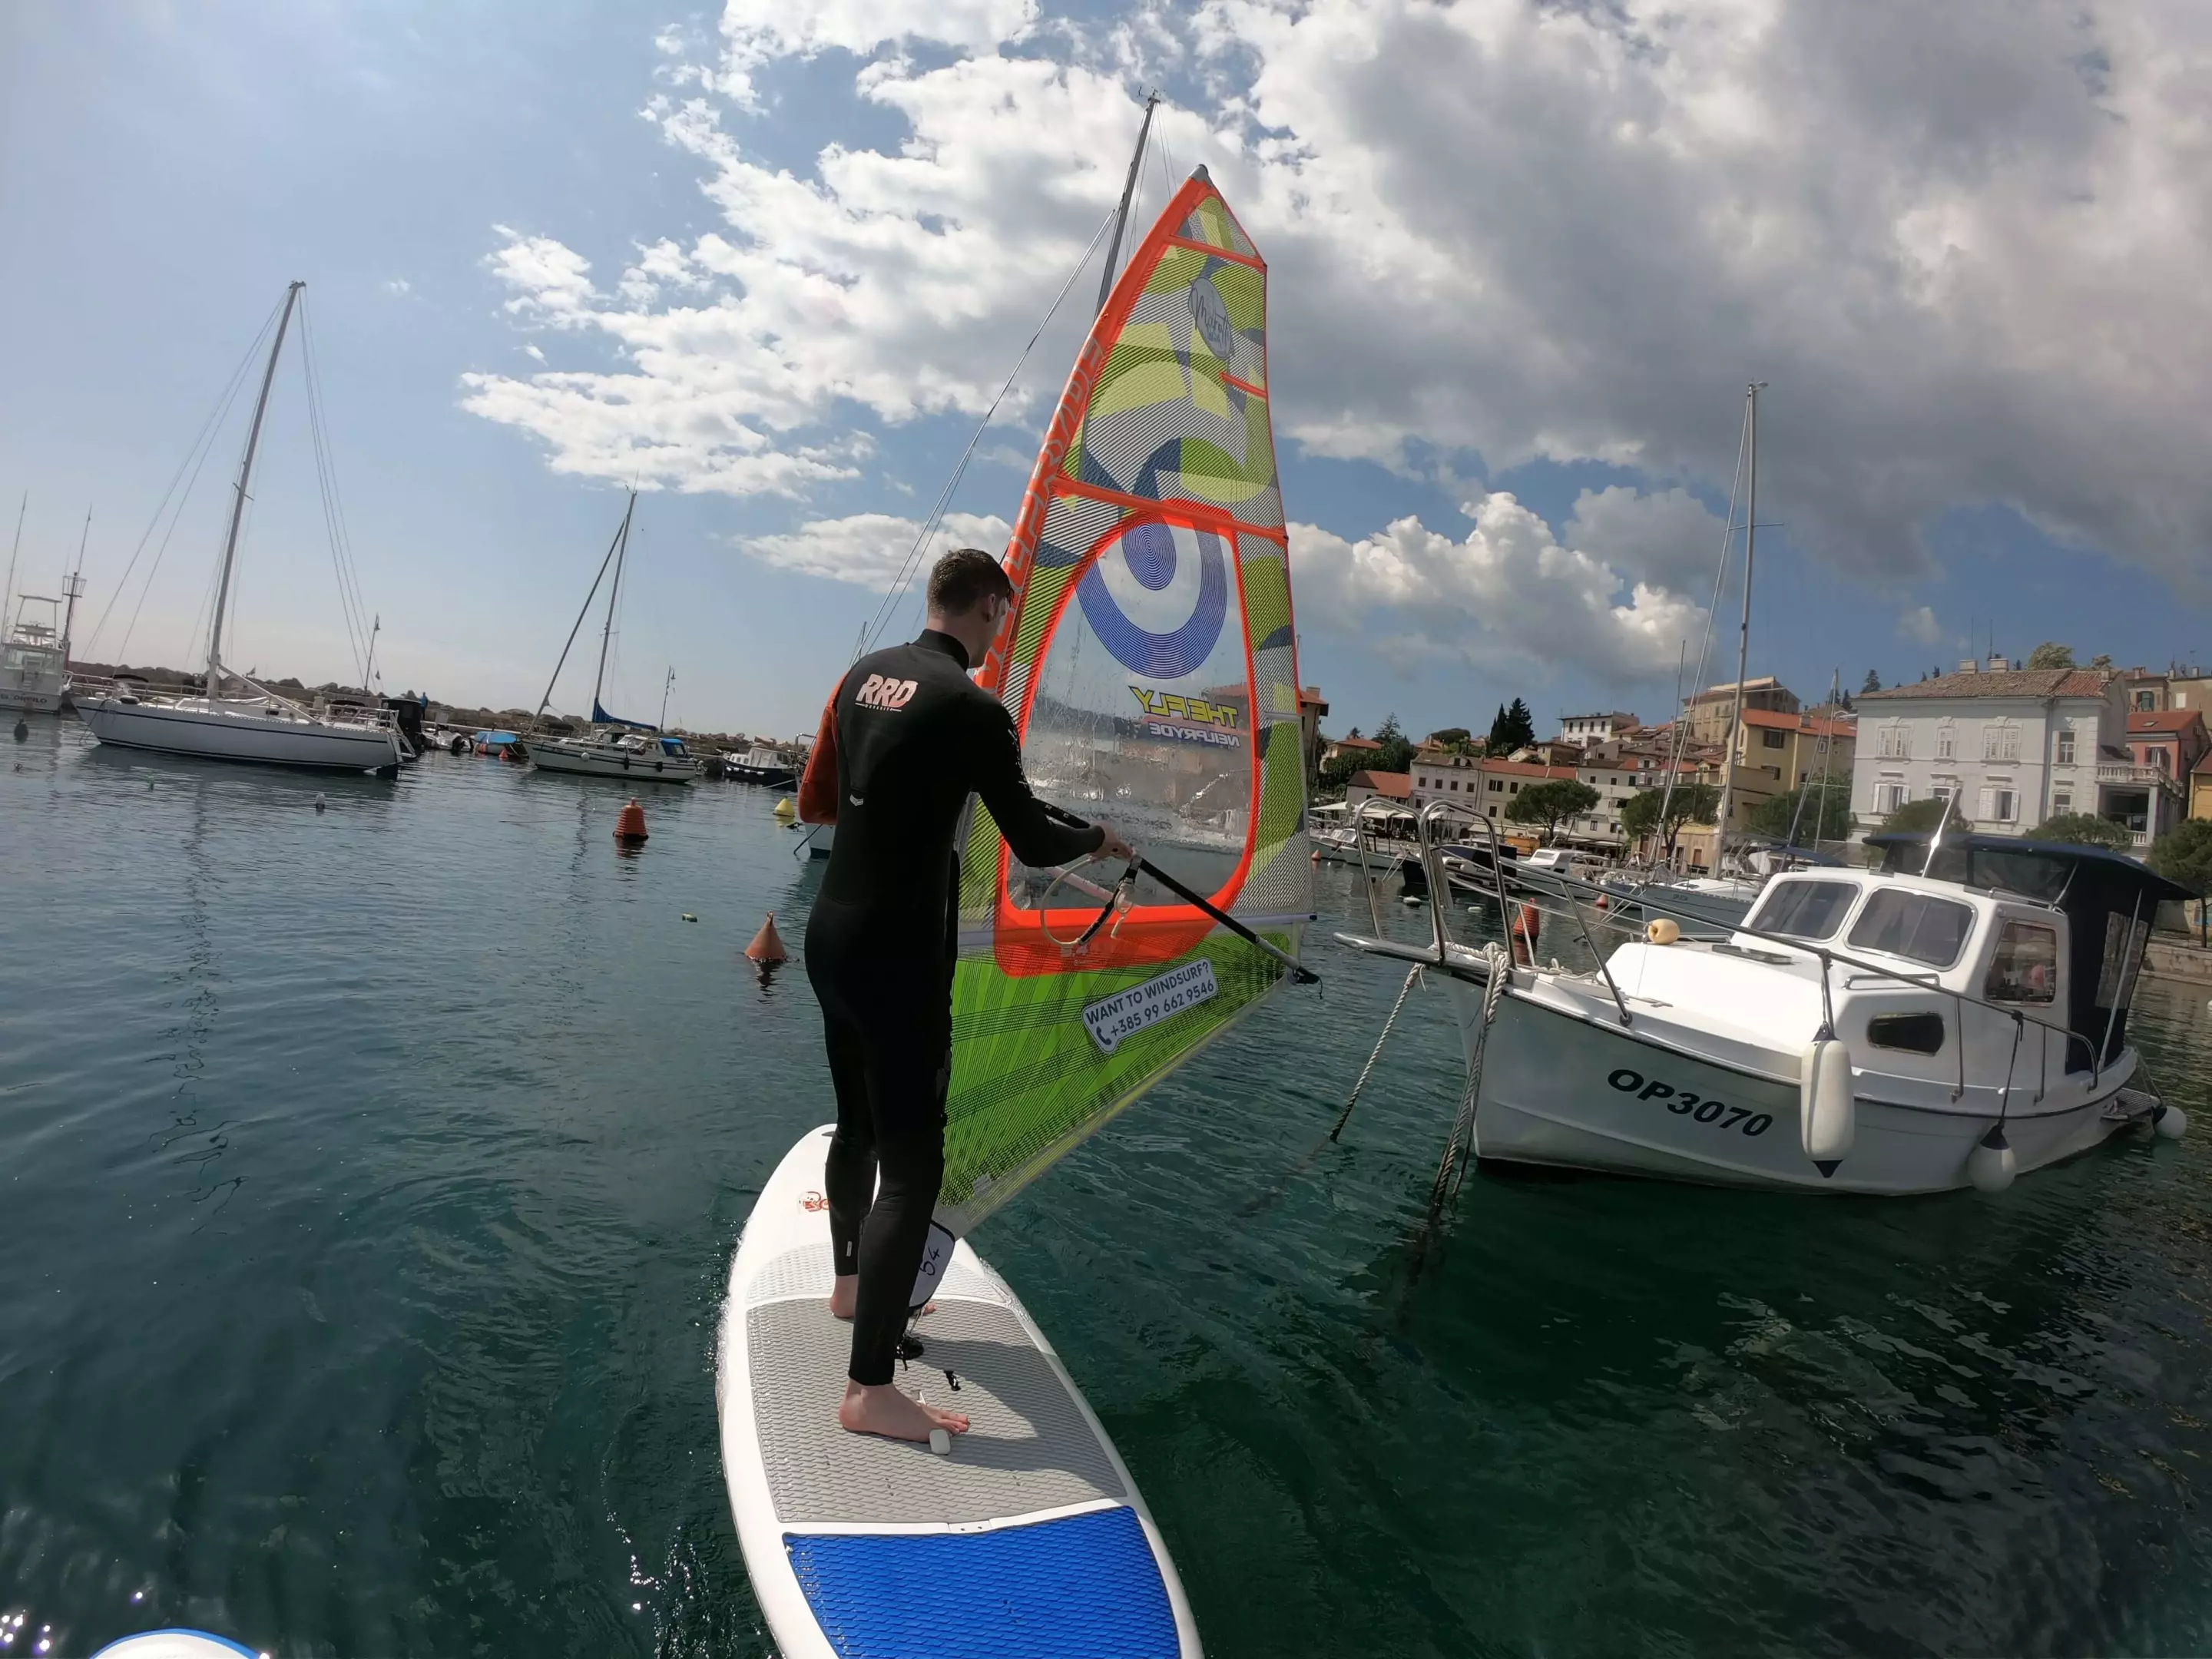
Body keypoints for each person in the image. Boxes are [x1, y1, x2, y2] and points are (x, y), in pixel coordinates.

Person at [796, 548, 1132, 1443]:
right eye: (1001, 618)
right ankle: (870, 1390)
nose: (999, 636)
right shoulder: (976, 707)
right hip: (899, 955)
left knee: (856, 1122)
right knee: (913, 1164)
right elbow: (1030, 840)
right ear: (985, 607)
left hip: (828, 935)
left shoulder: (864, 674)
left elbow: (817, 801)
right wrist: (1100, 839)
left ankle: (847, 1288)